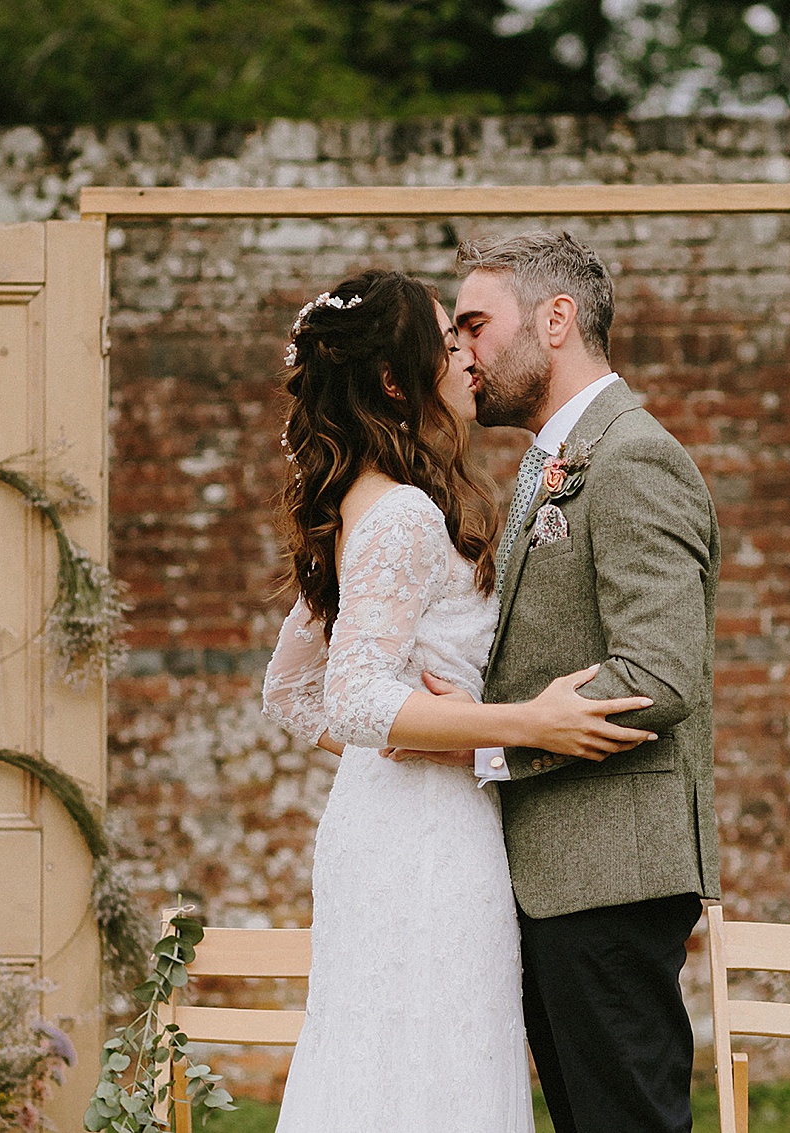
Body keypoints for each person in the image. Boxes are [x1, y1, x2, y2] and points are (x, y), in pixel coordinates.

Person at [260, 269, 656, 1132]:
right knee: (434, 1070)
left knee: (386, 1066)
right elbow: (355, 696)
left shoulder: (359, 502)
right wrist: (522, 724)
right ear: (397, 381)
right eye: (447, 344)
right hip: (429, 843)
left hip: (384, 822)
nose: (468, 359)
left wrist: (427, 736)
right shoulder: (400, 514)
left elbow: (291, 691)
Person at [448, 231, 722, 1133]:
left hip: (610, 874)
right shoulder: (550, 459)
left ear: (555, 319)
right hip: (557, 875)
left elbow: (659, 670)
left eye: (476, 325)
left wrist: (496, 731)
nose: (462, 352)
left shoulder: (634, 455)